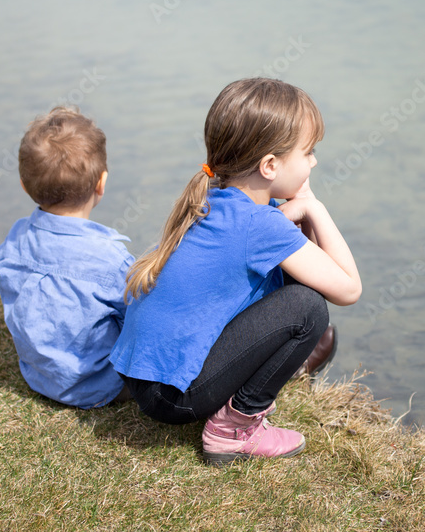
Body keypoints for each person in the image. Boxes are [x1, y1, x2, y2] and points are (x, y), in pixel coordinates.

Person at [110, 78, 361, 466]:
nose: (314, 162)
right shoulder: (260, 226)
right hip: (173, 396)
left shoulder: (216, 200)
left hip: (141, 378)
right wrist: (314, 208)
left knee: (294, 283)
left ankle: (250, 390)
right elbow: (348, 289)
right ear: (270, 165)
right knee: (308, 308)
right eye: (308, 152)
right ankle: (233, 429)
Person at [0, 107, 134, 409]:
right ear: (101, 183)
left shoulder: (18, 237)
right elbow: (137, 320)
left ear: (23, 185)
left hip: (39, 377)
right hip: (101, 387)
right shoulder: (110, 258)